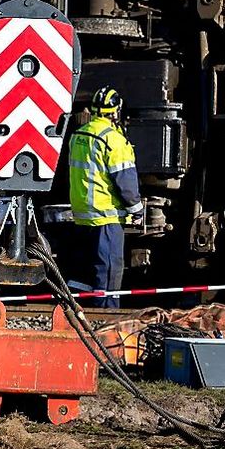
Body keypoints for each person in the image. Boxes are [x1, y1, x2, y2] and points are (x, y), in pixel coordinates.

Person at [67, 86, 143, 309]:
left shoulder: (79, 135)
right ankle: (105, 319)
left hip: (82, 216)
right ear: (115, 111)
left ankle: (80, 315)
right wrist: (137, 210)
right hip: (106, 218)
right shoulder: (114, 140)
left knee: (83, 276)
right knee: (107, 274)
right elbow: (125, 182)